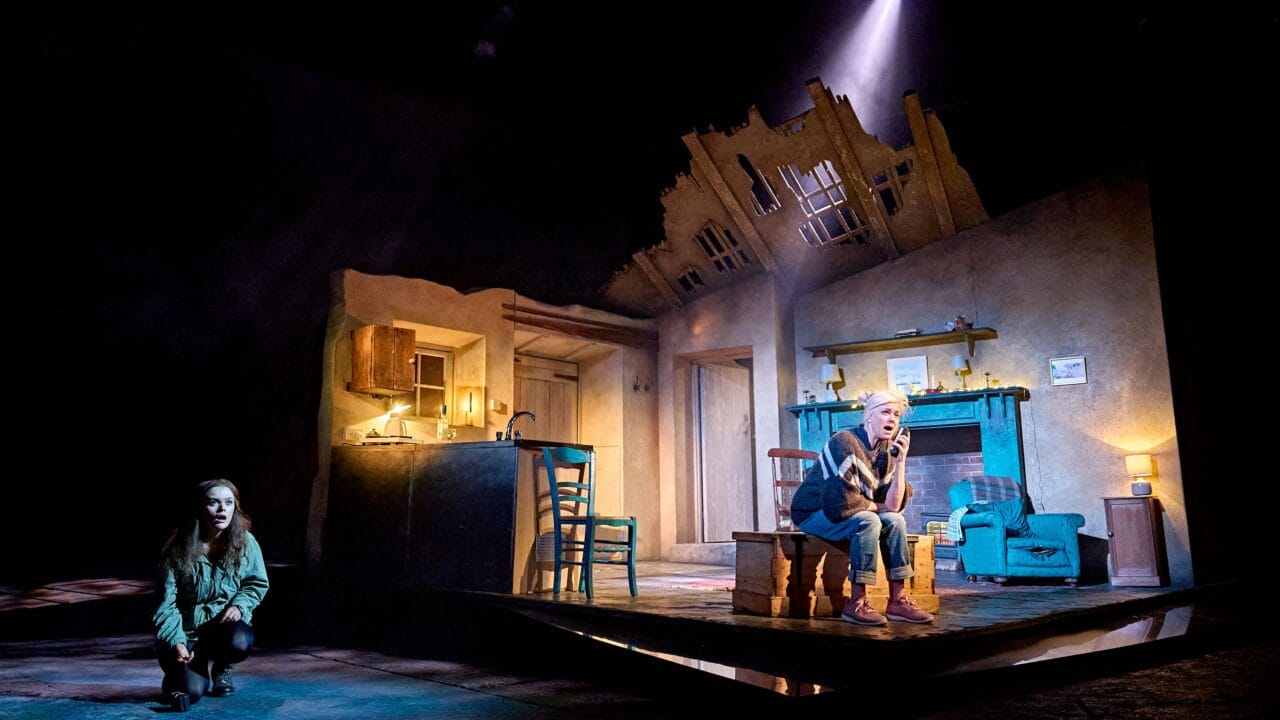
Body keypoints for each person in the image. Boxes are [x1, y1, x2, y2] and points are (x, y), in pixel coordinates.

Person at [789, 389, 934, 625]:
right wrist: (880, 506)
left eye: (896, 415)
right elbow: (839, 505)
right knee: (869, 520)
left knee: (895, 521)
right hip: (814, 512)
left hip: (850, 511)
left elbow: (894, 507)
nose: (891, 419)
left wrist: (901, 462)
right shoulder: (844, 442)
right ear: (868, 416)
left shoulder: (887, 452)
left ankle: (897, 600)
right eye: (885, 412)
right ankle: (856, 602)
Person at [152, 478, 270, 711]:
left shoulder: (245, 542)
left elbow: (256, 582)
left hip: (219, 628)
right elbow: (165, 604)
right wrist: (176, 641)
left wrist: (240, 606)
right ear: (199, 507)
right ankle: (181, 677)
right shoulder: (177, 547)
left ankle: (222, 667)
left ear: (235, 507)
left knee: (239, 640)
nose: (221, 509)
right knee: (192, 692)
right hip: (185, 632)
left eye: (228, 503)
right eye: (213, 503)